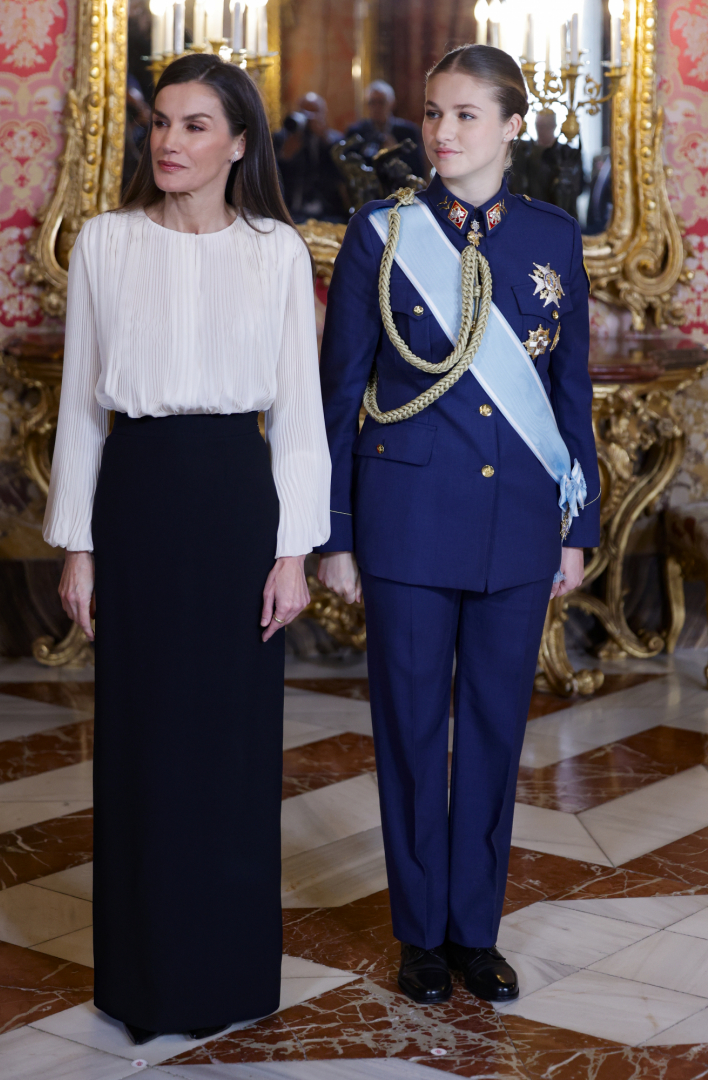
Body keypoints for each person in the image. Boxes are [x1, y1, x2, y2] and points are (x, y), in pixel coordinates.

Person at [43, 53, 330, 1044]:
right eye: (161, 122)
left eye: (195, 124)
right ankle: (142, 979)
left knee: (232, 746)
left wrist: (293, 552)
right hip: (137, 500)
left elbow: (300, 417)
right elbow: (81, 409)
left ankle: (229, 975)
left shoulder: (276, 252)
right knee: (142, 741)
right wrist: (77, 547)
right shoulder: (105, 242)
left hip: (238, 507)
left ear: (240, 142)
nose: (169, 141)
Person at [316, 44, 599, 1006]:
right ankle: (420, 935)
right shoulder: (382, 233)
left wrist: (577, 526)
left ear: (513, 126)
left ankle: (475, 932)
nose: (442, 132)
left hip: (518, 521)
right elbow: (340, 394)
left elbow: (569, 394)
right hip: (404, 521)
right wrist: (338, 533)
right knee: (407, 730)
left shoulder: (553, 236)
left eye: (466, 115)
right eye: (433, 113)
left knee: (492, 730)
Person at [273, 92, 346, 221]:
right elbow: (273, 178)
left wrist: (326, 142)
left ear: (324, 114)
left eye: (314, 112)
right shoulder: (282, 139)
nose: (309, 118)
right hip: (293, 210)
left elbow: (340, 176)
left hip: (328, 211)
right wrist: (285, 156)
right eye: (304, 112)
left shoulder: (335, 141)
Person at [510, 109, 583, 220]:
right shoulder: (524, 151)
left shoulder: (567, 153)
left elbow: (578, 187)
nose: (542, 130)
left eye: (546, 126)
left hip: (558, 214)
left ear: (554, 126)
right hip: (530, 213)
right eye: (539, 126)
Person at [346, 80, 426, 180]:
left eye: (381, 102)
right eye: (372, 102)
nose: (377, 108)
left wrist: (396, 152)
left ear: (392, 103)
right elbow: (350, 169)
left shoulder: (408, 131)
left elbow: (418, 170)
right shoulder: (356, 132)